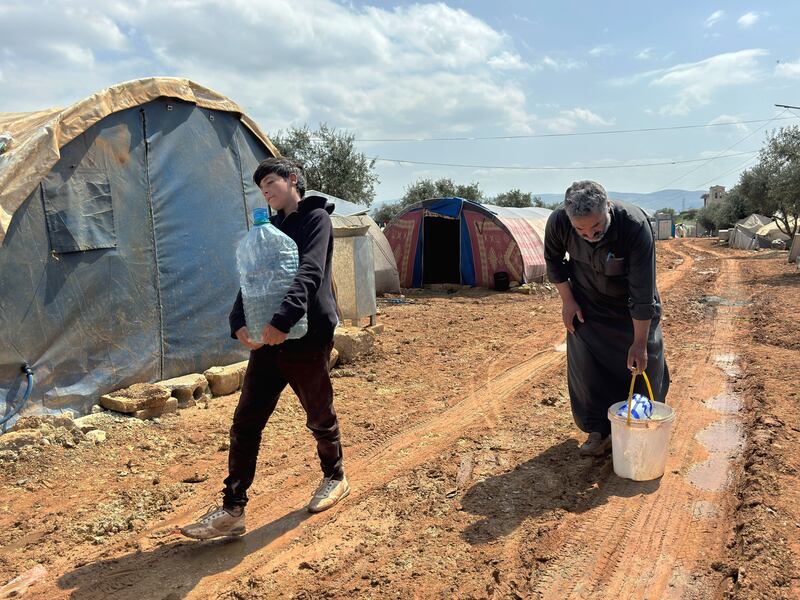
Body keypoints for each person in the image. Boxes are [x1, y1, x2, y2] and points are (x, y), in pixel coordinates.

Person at [181, 157, 348, 540]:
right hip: (268, 340)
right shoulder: (268, 228)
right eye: (260, 188)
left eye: (270, 182)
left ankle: (334, 476)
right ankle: (232, 509)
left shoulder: (316, 220)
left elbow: (311, 272)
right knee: (246, 421)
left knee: (319, 414)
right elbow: (251, 278)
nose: (266, 191)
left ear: (292, 180)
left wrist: (283, 320)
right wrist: (237, 320)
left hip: (305, 335)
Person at [544, 181, 669, 456]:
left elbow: (642, 290)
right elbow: (553, 261)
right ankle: (598, 429)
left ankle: (640, 430)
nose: (589, 235)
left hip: (631, 310)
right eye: (581, 230)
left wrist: (639, 342)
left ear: (608, 208)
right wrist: (568, 300)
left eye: (596, 227)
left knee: (642, 367)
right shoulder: (558, 222)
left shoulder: (634, 226)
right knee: (588, 370)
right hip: (588, 306)